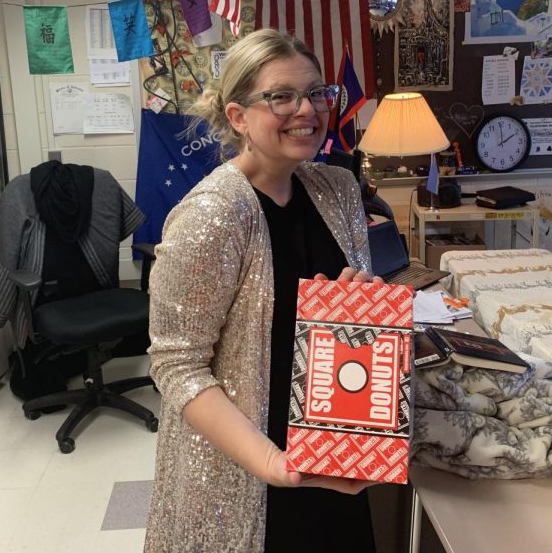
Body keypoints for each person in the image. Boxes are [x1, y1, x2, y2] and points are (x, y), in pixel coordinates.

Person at [144, 29, 380, 553]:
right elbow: (177, 366)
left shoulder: (336, 190)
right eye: (281, 96)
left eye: (316, 93)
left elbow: (353, 327)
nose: (307, 110)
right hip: (248, 473)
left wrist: (360, 311)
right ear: (237, 117)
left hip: (334, 452)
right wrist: (275, 464)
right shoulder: (211, 216)